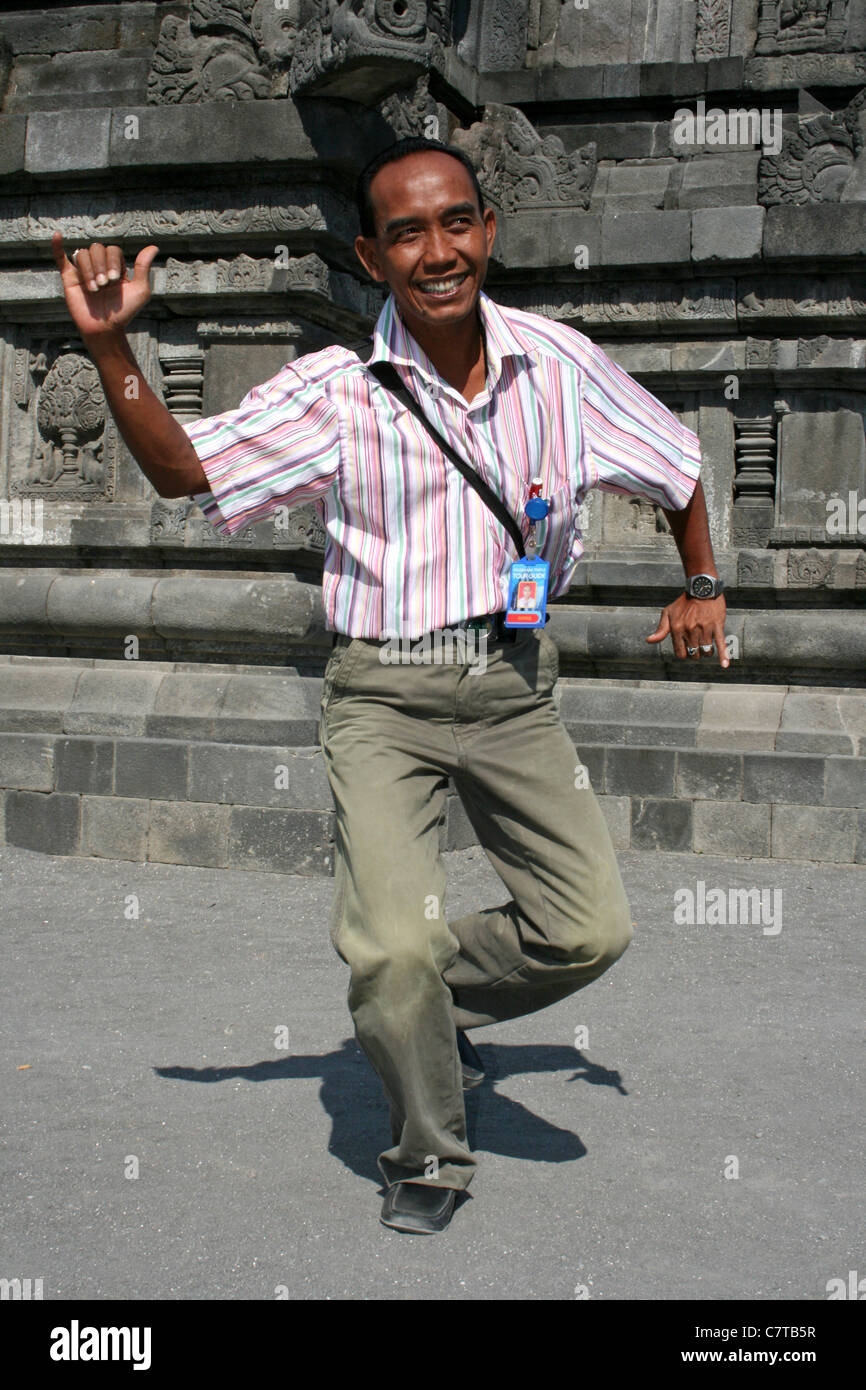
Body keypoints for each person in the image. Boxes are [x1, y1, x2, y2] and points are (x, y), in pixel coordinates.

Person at [52, 135, 727, 1236]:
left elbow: (681, 463)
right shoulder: (335, 392)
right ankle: (428, 1147)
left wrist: (700, 580)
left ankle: (416, 996)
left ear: (487, 232)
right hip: (383, 693)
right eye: (405, 231)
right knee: (390, 943)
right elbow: (185, 468)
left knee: (589, 928)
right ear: (371, 257)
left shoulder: (557, 365)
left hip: (511, 680)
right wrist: (112, 346)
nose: (437, 249)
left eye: (455, 221)